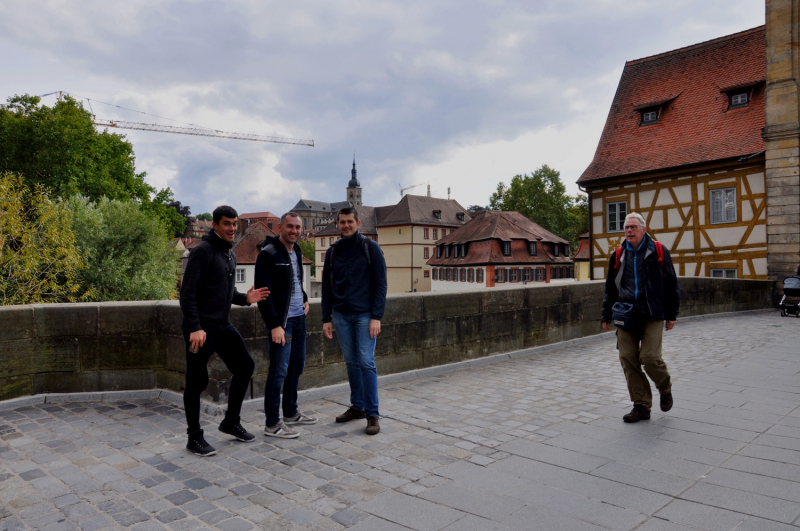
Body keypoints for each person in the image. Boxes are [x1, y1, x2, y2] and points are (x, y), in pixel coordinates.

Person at [179, 205, 270, 456]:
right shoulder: (203, 252)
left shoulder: (229, 254)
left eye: (234, 224)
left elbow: (225, 292)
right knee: (197, 382)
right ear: (216, 225)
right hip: (201, 328)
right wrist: (195, 327)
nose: (232, 228)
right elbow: (186, 293)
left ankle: (230, 421)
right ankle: (194, 437)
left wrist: (246, 298)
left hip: (222, 324)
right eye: (227, 224)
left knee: (245, 366)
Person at [601, 212, 681, 423]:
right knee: (628, 358)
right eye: (626, 227)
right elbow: (610, 287)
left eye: (633, 227)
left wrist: (671, 314)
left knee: (650, 358)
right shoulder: (618, 254)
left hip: (652, 312)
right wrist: (606, 315)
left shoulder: (659, 251)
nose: (629, 230)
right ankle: (641, 406)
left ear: (643, 230)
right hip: (626, 313)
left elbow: (672, 284)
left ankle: (665, 388)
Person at [322, 207, 387, 435]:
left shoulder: (371, 248)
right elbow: (326, 287)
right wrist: (325, 318)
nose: (346, 225)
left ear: (358, 223)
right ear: (338, 224)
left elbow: (380, 284)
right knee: (351, 363)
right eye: (342, 222)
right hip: (340, 315)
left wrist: (376, 316)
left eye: (350, 221)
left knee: (366, 363)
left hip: (364, 316)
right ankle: (357, 407)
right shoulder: (333, 252)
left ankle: (372, 414)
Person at [254, 212, 316, 439]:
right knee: (278, 372)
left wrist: (306, 298)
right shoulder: (268, 254)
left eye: (298, 228)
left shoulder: (297, 250)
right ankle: (272, 423)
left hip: (300, 318)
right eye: (290, 227)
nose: (294, 231)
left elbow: (295, 281)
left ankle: (290, 413)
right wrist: (274, 325)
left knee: (296, 367)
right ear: (280, 227)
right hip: (282, 322)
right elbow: (263, 294)